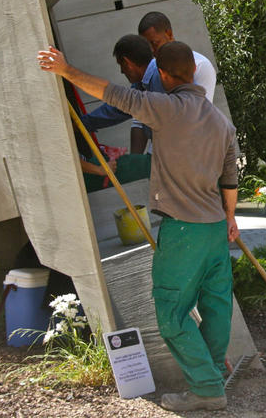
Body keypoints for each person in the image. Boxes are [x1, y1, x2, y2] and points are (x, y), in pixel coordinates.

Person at [38, 41, 238, 412]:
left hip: (184, 232)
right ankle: (210, 373)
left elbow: (112, 94)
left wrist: (66, 70)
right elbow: (230, 183)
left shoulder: (165, 109)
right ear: (194, 73)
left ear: (162, 75)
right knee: (216, 307)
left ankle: (207, 389)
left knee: (171, 313)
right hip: (215, 230)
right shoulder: (221, 122)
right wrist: (230, 221)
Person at [80, 34, 163, 155]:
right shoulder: (143, 83)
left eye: (121, 65)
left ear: (127, 62)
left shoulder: (159, 79)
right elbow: (119, 108)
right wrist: (84, 123)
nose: (121, 71)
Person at [138, 11, 217, 103]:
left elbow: (200, 111)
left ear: (169, 34)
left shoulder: (201, 65)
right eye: (147, 46)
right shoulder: (152, 67)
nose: (151, 50)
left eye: (155, 43)